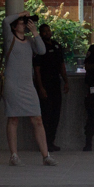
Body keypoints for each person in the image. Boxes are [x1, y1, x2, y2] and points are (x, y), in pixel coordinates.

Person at [4, 13, 54, 166]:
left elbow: (42, 50)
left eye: (25, 23)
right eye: (21, 23)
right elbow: (5, 21)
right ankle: (14, 155)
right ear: (14, 26)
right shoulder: (9, 38)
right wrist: (21, 14)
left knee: (37, 118)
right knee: (13, 118)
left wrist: (35, 32)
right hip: (13, 84)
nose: (24, 25)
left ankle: (46, 156)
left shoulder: (30, 41)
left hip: (27, 85)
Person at [35, 22, 69, 151]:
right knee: (46, 114)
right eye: (44, 31)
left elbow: (62, 65)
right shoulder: (39, 48)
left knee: (55, 114)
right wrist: (40, 87)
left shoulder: (56, 46)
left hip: (56, 84)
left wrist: (66, 81)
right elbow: (37, 70)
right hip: (45, 84)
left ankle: (51, 141)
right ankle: (45, 143)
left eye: (48, 30)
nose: (47, 33)